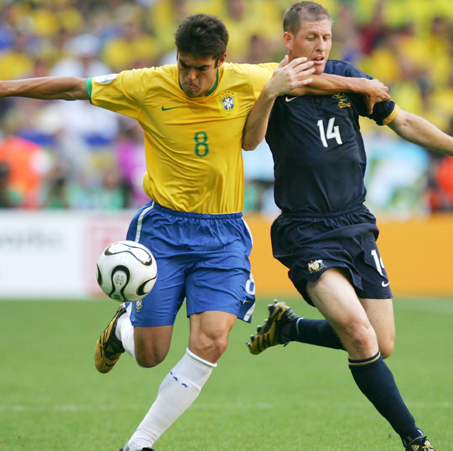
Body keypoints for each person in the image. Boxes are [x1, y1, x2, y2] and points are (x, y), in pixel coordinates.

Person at [0, 13, 391, 451]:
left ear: (220, 61)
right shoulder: (146, 84)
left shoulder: (246, 79)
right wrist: (6, 88)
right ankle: (124, 329)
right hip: (164, 230)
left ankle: (139, 443)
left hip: (224, 235)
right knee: (150, 354)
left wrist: (361, 85)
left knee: (213, 341)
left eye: (201, 69)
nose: (190, 77)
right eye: (184, 65)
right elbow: (76, 87)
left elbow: (305, 81)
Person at [243, 2, 453, 450]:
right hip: (305, 230)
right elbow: (250, 140)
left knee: (382, 342)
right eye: (311, 38)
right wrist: (270, 95)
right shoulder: (269, 81)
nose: (321, 46)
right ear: (288, 40)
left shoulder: (344, 75)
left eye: (326, 37)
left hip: (355, 224)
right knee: (359, 334)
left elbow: (403, 121)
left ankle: (291, 328)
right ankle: (415, 439)